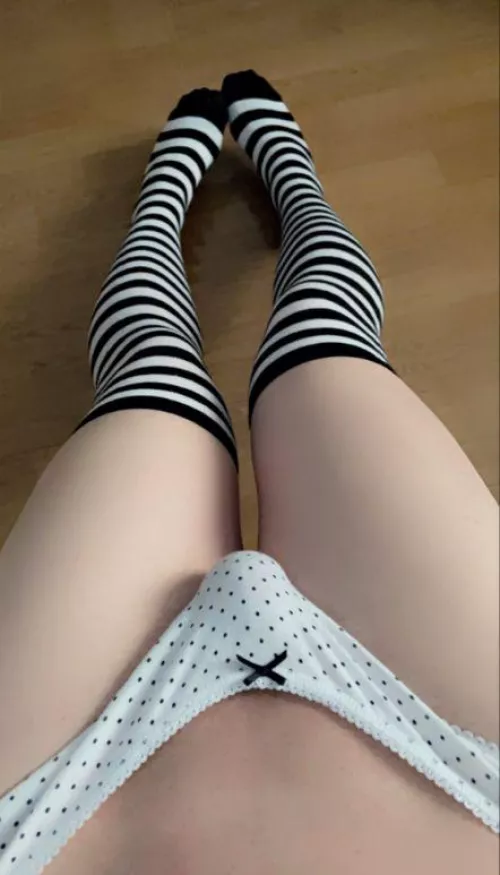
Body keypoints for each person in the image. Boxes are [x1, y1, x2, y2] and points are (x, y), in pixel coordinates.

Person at [0, 71, 498, 875]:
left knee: (148, 374)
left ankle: (166, 196)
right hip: (475, 782)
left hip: (43, 814)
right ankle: (290, 177)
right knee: (327, 342)